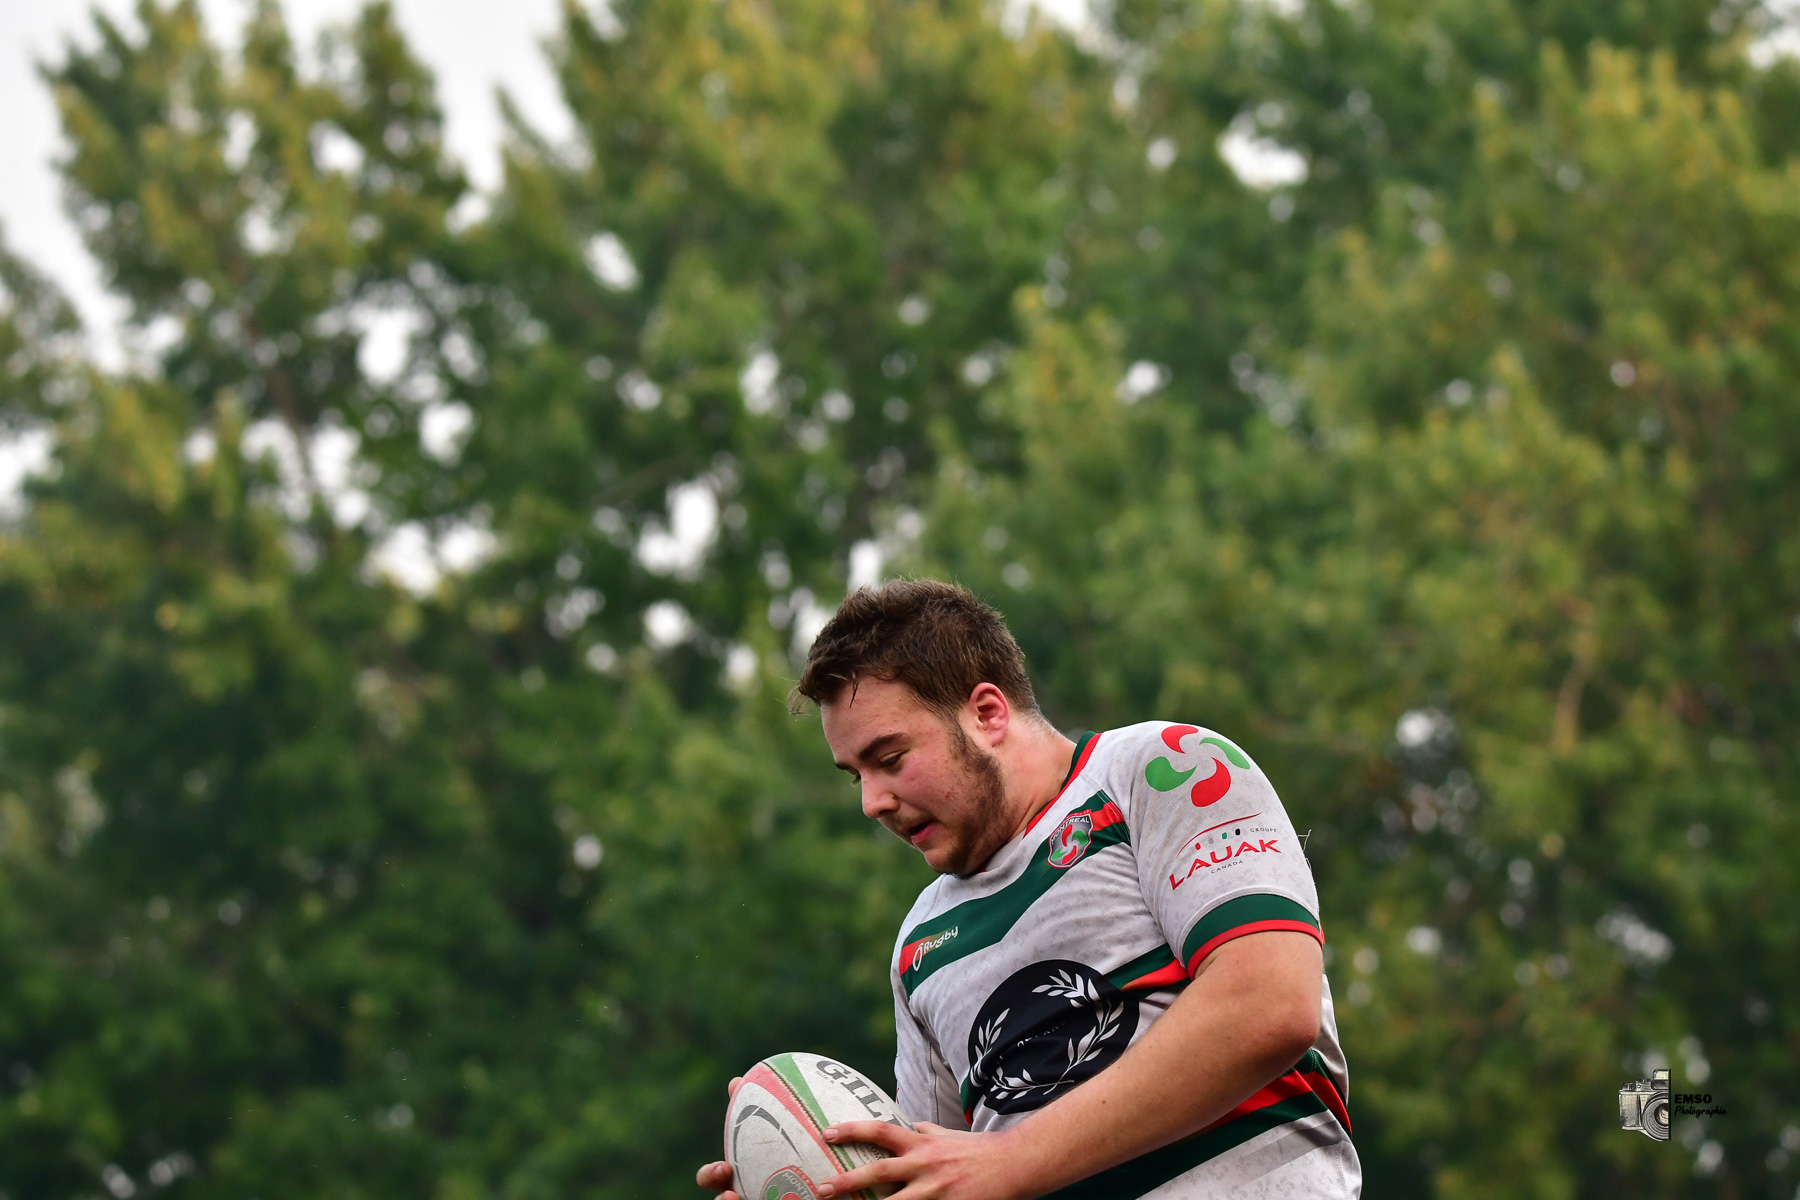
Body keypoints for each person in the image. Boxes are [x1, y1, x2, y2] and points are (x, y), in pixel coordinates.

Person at [698, 580, 1359, 1199]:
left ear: (987, 713)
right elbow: (939, 1180)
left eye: (891, 759)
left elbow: (1270, 1005)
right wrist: (818, 1178)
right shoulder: (919, 947)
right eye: (855, 776)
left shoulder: (1163, 769)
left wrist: (1008, 1160)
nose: (873, 802)